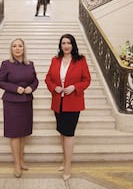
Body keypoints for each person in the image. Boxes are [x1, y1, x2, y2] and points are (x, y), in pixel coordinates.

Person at [45, 34, 91, 180]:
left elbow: (87, 80)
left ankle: (68, 166)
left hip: (73, 103)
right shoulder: (55, 60)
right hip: (58, 103)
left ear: (73, 45)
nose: (66, 45)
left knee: (69, 133)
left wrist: (75, 87)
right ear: (60, 45)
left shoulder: (81, 60)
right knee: (62, 132)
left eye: (68, 43)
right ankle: (64, 160)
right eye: (63, 43)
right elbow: (48, 78)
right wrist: (54, 88)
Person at [0, 38, 39, 178]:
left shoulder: (30, 64)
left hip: (26, 101)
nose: (17, 48)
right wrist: (16, 88)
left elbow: (35, 81)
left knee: (23, 133)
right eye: (14, 46)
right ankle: (16, 164)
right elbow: (0, 82)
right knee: (14, 134)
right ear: (11, 49)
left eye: (20, 46)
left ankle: (21, 161)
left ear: (23, 48)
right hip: (11, 103)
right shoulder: (6, 64)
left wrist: (30, 88)